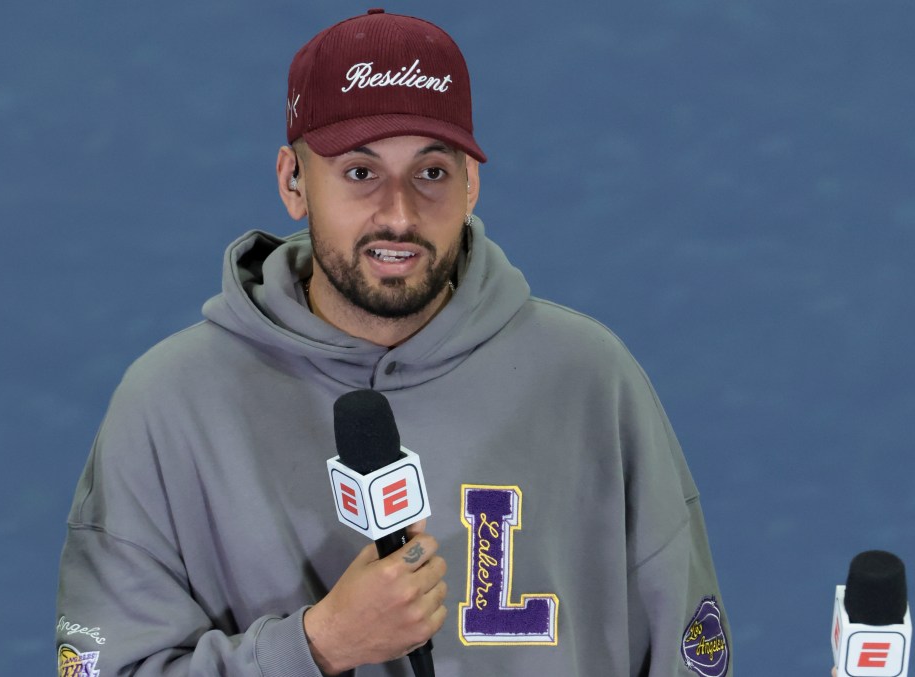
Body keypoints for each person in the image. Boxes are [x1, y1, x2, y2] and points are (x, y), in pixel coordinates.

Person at [56, 9, 732, 677]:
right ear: (293, 181)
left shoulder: (590, 378)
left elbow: (690, 656)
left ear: (470, 183)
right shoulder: (168, 405)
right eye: (360, 172)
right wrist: (318, 645)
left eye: (431, 172)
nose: (400, 213)